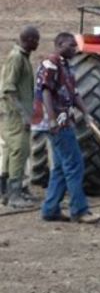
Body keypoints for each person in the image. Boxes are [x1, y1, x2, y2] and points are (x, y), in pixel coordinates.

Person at [33, 32, 100, 223]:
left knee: (62, 167)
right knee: (75, 165)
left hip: (63, 120)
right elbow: (45, 91)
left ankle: (50, 209)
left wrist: (86, 113)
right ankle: (79, 210)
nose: (75, 49)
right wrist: (53, 120)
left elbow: (75, 93)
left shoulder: (66, 66)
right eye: (71, 45)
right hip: (57, 123)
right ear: (59, 44)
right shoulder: (51, 63)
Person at [0, 26, 40, 209]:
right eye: (36, 39)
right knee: (19, 151)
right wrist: (23, 114)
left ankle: (7, 193)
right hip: (15, 115)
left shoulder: (22, 57)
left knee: (12, 152)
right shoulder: (16, 58)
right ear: (30, 39)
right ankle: (14, 195)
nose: (38, 43)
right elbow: (8, 89)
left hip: (15, 114)